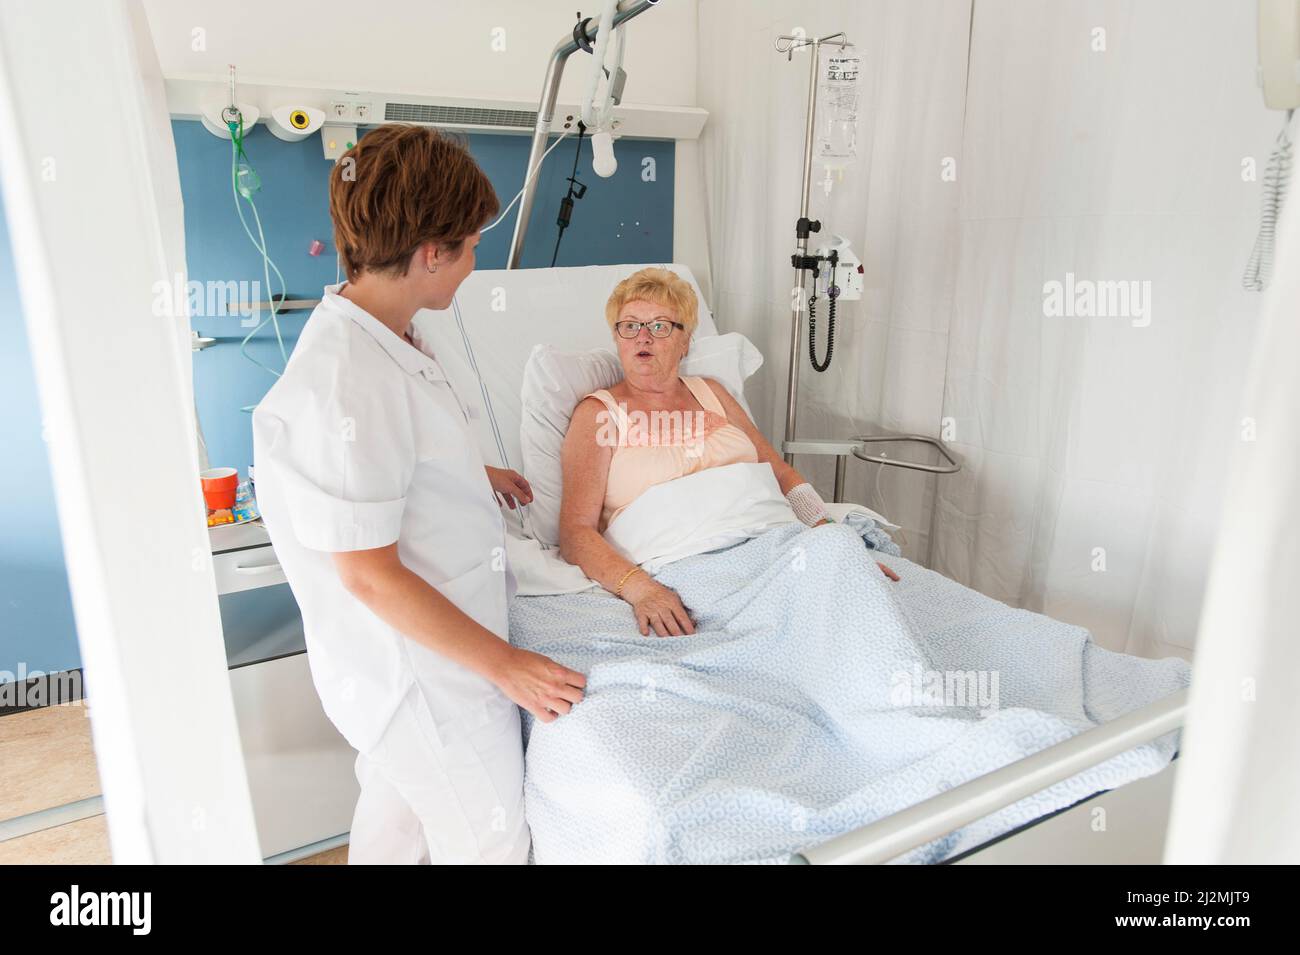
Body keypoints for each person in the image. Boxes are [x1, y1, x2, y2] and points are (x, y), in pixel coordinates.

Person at [252, 124, 585, 864]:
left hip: (428, 656)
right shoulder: (348, 378)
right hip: (422, 678)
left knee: (396, 821)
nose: (475, 262)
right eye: (468, 245)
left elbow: (401, 461)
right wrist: (507, 665)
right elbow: (368, 573)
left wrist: (476, 475)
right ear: (430, 253)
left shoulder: (387, 332)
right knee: (491, 839)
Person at [559, 267, 898, 639]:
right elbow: (576, 533)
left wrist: (828, 539)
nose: (643, 336)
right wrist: (640, 589)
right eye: (630, 326)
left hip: (775, 540)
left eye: (659, 326)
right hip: (690, 562)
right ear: (617, 337)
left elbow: (782, 475)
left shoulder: (711, 393)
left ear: (685, 340)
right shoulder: (598, 414)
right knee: (811, 621)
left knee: (846, 573)